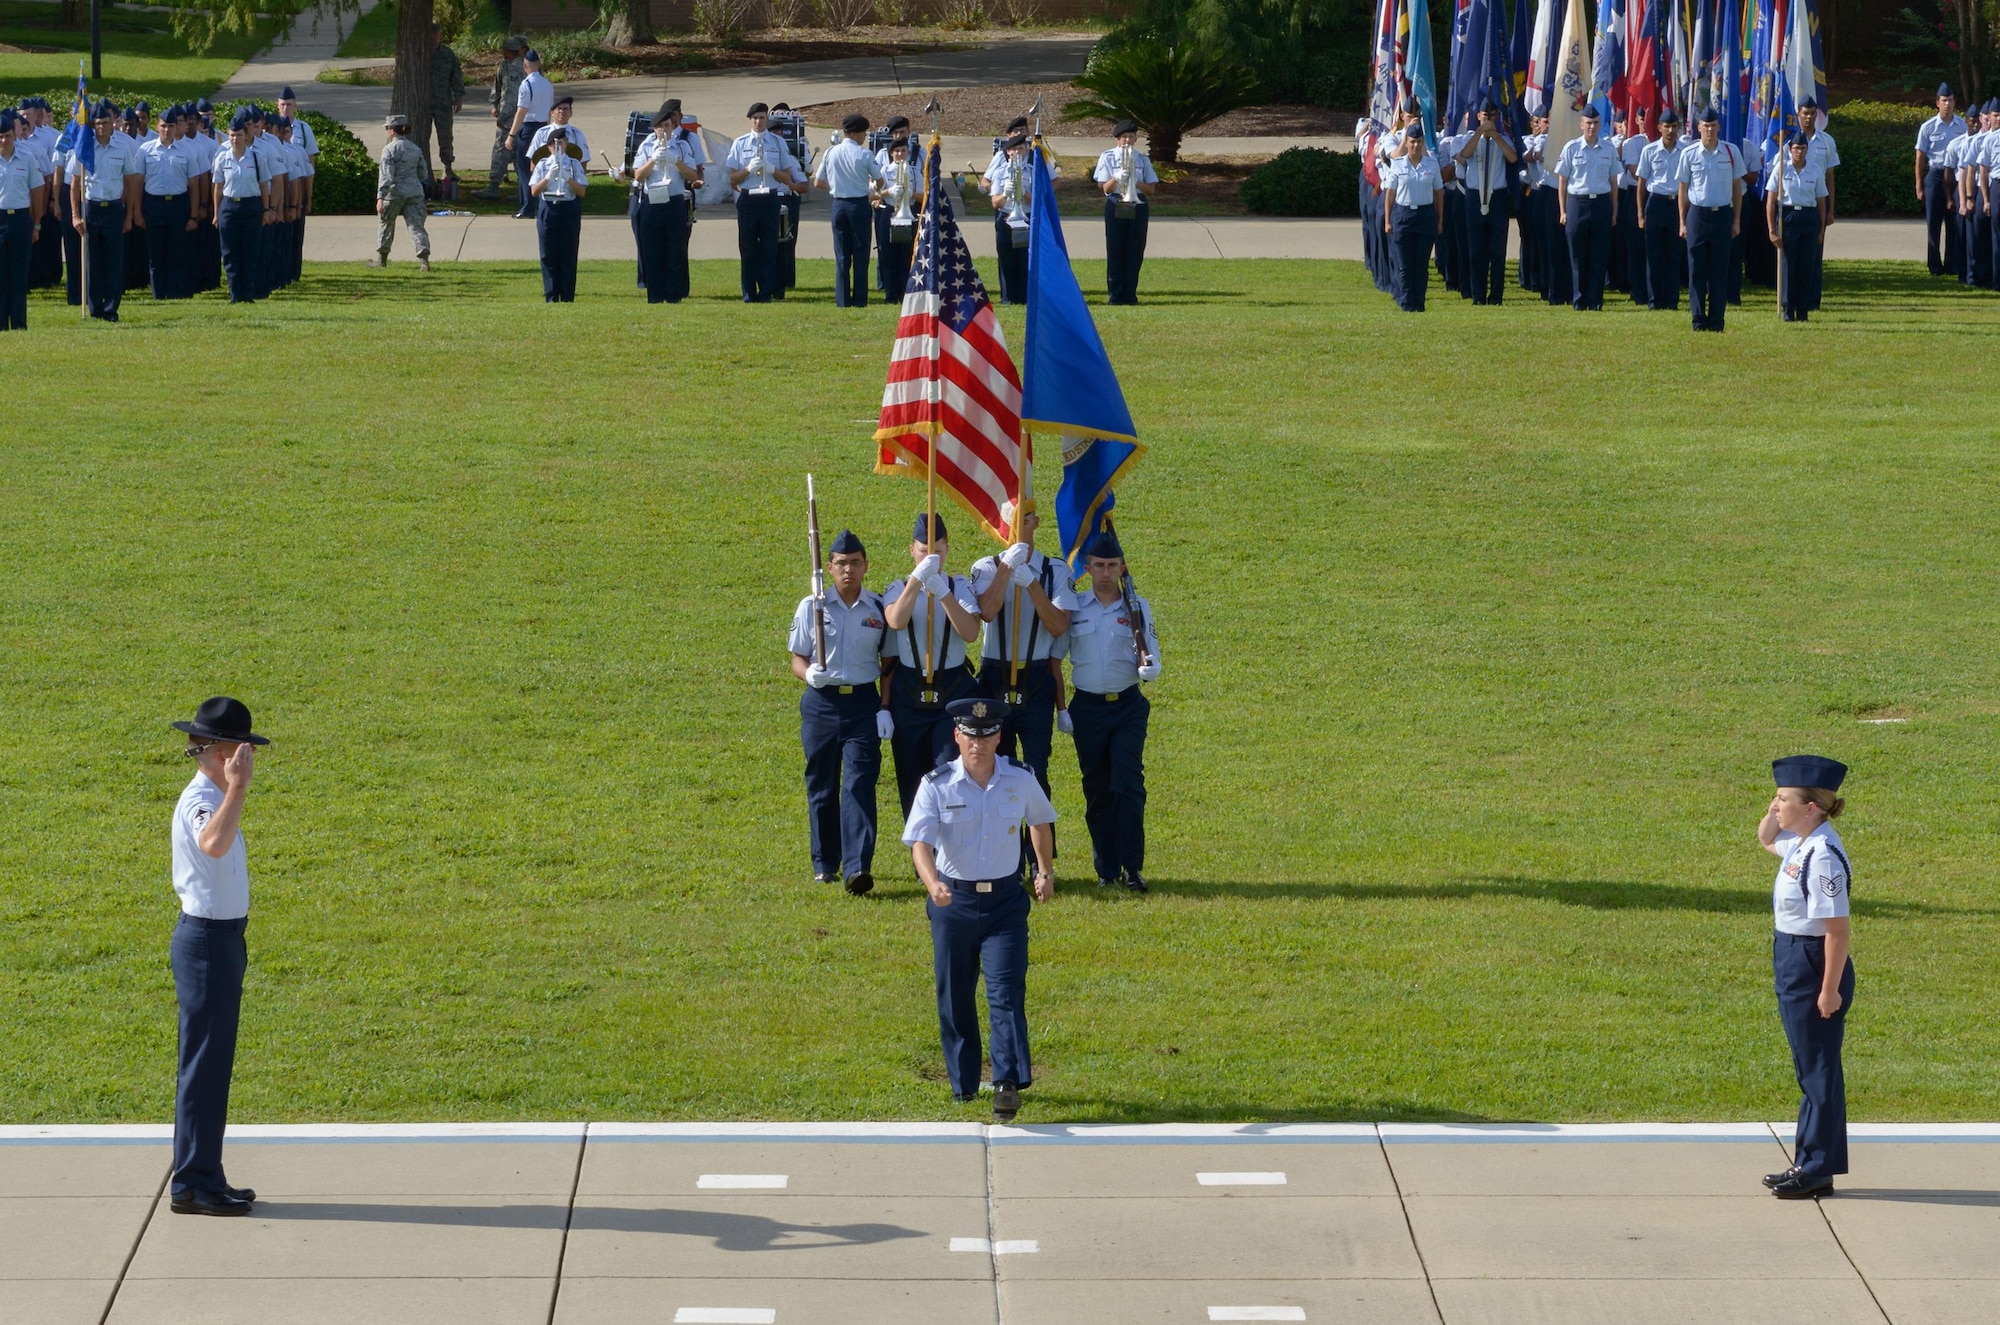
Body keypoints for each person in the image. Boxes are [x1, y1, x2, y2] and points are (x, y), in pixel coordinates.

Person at [903, 696, 1056, 1124]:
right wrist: (932, 884)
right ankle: (963, 1083)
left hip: (1006, 903)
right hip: (953, 902)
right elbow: (920, 842)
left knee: (1005, 993)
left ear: (998, 737)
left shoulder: (1019, 779)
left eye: (987, 735)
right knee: (954, 996)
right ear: (957, 736)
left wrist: (1044, 872)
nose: (979, 744)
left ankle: (1006, 1082)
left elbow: (1039, 822)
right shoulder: (936, 784)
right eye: (971, 735)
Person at [167, 697, 269, 1217]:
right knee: (204, 1065)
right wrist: (240, 787)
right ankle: (192, 1182)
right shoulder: (202, 799)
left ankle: (206, 1173)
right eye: (242, 748)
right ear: (222, 751)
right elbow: (212, 843)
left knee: (211, 1063)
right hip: (207, 942)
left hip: (222, 938)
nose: (248, 757)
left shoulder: (215, 791)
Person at [1756, 754, 1854, 1200]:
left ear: (1811, 807)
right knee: (1809, 1066)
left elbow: (1837, 930)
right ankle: (1811, 1162)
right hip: (1794, 956)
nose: (1774, 806)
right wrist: (1780, 800)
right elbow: (1764, 838)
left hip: (1814, 962)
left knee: (1817, 1069)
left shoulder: (1823, 857)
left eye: (1783, 799)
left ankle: (1816, 1168)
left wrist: (1829, 989)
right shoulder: (1801, 843)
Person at [790, 529, 891, 895]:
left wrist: (884, 707)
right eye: (841, 564)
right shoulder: (811, 606)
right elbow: (797, 657)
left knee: (859, 783)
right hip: (821, 703)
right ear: (829, 567)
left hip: (863, 704)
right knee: (822, 783)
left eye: (855, 563)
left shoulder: (878, 608)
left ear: (866, 566)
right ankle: (825, 862)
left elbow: (889, 661)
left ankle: (857, 866)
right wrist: (808, 673)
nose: (848, 570)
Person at [1062, 528, 1159, 893]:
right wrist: (1062, 708)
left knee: (1128, 784)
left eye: (1112, 565)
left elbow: (1151, 647)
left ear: (1122, 569)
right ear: (1087, 569)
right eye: (1099, 565)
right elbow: (1057, 656)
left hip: (1127, 707)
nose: (1105, 572)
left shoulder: (1137, 607)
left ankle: (1133, 867)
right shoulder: (1075, 609)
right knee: (1097, 789)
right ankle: (1106, 868)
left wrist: (1151, 668)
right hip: (1087, 708)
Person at [967, 501, 1075, 827]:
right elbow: (986, 611)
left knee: (1036, 770)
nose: (1016, 528)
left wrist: (1030, 583)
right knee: (996, 769)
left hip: (1036, 676)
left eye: (1023, 520)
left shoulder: (1055, 570)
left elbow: (1058, 625)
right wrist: (1006, 569)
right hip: (994, 675)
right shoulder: (986, 567)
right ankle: (1006, 863)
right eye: (1011, 521)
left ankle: (1040, 862)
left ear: (1036, 523)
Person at [882, 513, 983, 817]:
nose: (931, 557)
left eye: (938, 551)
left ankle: (948, 858)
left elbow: (970, 632)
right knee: (911, 784)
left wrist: (943, 593)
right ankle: (921, 862)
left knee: (948, 777)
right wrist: (916, 581)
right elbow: (896, 621)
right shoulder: (897, 587)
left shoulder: (959, 586)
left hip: (950, 691)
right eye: (924, 551)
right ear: (912, 550)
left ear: (948, 550)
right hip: (909, 692)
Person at [67, 99, 142, 321]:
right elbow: (74, 185)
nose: (102, 126)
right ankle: (95, 308)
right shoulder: (84, 148)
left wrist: (128, 215)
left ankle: (111, 308)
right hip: (92, 209)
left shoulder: (123, 148)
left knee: (113, 262)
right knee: (92, 262)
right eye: (98, 123)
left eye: (106, 122)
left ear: (113, 123)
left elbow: (129, 183)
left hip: (114, 210)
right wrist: (75, 215)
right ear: (93, 125)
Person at [726, 102, 804, 304]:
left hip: (770, 197)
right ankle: (749, 293)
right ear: (749, 120)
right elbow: (732, 179)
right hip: (748, 198)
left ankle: (766, 292)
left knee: (770, 248)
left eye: (761, 117)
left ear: (767, 119)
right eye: (755, 118)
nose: (758, 121)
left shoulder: (778, 143)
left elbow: (787, 178)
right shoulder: (740, 143)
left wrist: (771, 169)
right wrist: (748, 170)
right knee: (748, 248)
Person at [1677, 107, 1742, 332]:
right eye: (1706, 126)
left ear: (1719, 127)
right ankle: (1698, 319)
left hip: (1723, 214)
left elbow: (1737, 188)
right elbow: (1683, 189)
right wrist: (1683, 222)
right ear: (1699, 128)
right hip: (1697, 215)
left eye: (1714, 126)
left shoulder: (1731, 152)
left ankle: (1716, 321)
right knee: (1696, 271)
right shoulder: (1689, 154)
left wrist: (1736, 220)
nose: (1710, 130)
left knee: (1719, 272)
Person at [632, 100, 702, 304]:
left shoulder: (681, 146)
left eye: (667, 125)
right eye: (660, 126)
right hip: (652, 201)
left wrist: (675, 161)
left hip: (674, 201)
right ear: (654, 128)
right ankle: (655, 295)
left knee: (675, 250)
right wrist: (653, 160)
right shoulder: (646, 145)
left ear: (672, 126)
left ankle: (673, 295)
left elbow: (692, 175)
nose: (664, 130)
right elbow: (637, 175)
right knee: (652, 251)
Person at [1449, 99, 1518, 305]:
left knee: (1497, 251)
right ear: (1478, 116)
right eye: (1485, 116)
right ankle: (1478, 294)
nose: (1489, 120)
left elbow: (1513, 158)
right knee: (1476, 250)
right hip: (1474, 196)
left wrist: (1495, 135)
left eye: (1492, 116)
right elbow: (1465, 155)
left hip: (1497, 197)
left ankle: (1496, 295)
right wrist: (1480, 133)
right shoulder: (1469, 138)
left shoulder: (1504, 138)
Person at [1554, 105, 1618, 311]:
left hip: (1601, 203)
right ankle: (1579, 300)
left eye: (1596, 123)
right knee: (1577, 256)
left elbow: (1613, 182)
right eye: (1588, 123)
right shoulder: (1571, 148)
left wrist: (1614, 210)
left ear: (1601, 125)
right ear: (1581, 125)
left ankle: (1595, 300)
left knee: (1599, 256)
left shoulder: (1609, 149)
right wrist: (1563, 211)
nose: (1592, 127)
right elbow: (1562, 181)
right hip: (1577, 203)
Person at [816, 113, 883, 308]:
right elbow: (879, 179)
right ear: (855, 133)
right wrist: (872, 188)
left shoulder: (830, 152)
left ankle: (842, 299)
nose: (864, 137)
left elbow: (819, 182)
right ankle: (860, 298)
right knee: (861, 252)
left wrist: (836, 186)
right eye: (863, 133)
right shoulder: (864, 154)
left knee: (842, 253)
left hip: (838, 204)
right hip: (859, 205)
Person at [1096, 119, 1159, 305]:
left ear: (1135, 139)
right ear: (1117, 139)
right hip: (1116, 202)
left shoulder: (1142, 159)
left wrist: (1135, 180)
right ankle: (1115, 295)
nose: (1127, 141)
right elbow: (1104, 188)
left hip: (1138, 203)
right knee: (1115, 249)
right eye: (1123, 137)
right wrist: (1117, 177)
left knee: (1135, 250)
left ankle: (1130, 295)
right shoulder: (1107, 157)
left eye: (1131, 137)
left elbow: (1151, 189)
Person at [1381, 123, 1442, 313]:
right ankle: (1406, 303)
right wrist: (1388, 220)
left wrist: (1440, 220)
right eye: (1412, 141)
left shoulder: (1431, 164)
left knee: (1421, 264)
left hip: (1425, 215)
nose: (1416, 145)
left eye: (1419, 142)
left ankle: (1419, 303)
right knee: (1405, 264)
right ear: (1406, 143)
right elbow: (1390, 193)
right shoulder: (1398, 164)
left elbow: (1438, 193)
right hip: (1403, 215)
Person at [137, 105, 195, 300]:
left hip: (178, 205)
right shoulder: (145, 150)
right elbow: (137, 183)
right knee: (156, 255)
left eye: (171, 125)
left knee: (177, 253)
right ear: (157, 126)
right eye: (163, 126)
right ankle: (158, 294)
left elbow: (193, 185)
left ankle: (175, 293)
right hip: (153, 205)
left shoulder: (187, 151)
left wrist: (193, 214)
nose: (167, 129)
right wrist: (137, 212)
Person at [1768, 134, 1827, 322]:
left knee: (1806, 266)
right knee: (1788, 265)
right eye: (1796, 148)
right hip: (1788, 217)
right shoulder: (1781, 169)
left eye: (1802, 148)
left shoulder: (1815, 170)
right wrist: (1772, 229)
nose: (1799, 152)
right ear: (1789, 149)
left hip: (1809, 218)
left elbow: (1821, 202)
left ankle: (1803, 310)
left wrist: (1821, 230)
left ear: (1807, 150)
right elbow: (1770, 201)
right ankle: (1788, 308)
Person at [211, 109, 268, 302]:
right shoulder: (222, 157)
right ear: (228, 136)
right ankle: (235, 294)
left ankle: (248, 294)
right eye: (232, 135)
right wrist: (217, 213)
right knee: (230, 253)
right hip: (229, 206)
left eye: (239, 135)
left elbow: (263, 185)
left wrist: (266, 210)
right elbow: (218, 188)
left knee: (249, 252)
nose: (236, 139)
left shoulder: (256, 157)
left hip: (251, 206)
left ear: (246, 136)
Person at [0, 108, 47, 331]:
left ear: (14, 134)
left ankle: (18, 323)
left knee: (19, 275)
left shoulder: (26, 158)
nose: (4, 140)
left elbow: (37, 191)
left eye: (7, 135)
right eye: (0, 136)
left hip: (20, 219)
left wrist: (36, 223)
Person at [1635, 108, 1686, 312]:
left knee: (1674, 256)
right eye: (1667, 126)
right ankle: (1655, 301)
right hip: (1655, 203)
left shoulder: (1686, 150)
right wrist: (1640, 213)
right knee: (1654, 255)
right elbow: (1641, 183)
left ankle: (1672, 300)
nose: (1671, 130)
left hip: (1677, 204)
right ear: (1659, 128)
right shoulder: (1649, 151)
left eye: (1674, 126)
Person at [530, 126, 587, 301]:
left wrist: (566, 177)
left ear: (566, 144)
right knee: (548, 254)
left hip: (568, 208)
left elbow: (581, 191)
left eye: (561, 143)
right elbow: (534, 191)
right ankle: (551, 295)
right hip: (548, 208)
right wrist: (548, 177)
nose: (558, 148)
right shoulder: (542, 164)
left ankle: (568, 295)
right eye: (554, 145)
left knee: (568, 253)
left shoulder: (573, 163)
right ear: (549, 147)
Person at [1917, 84, 1965, 277]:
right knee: (1934, 224)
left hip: (1954, 177)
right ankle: (1935, 266)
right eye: (1944, 100)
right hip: (1935, 176)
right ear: (1937, 103)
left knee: (1953, 222)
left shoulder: (1962, 125)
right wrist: (1919, 185)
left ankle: (1952, 265)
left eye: (1951, 100)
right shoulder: (1928, 127)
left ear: (1955, 102)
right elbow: (1920, 158)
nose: (1947, 104)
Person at [371, 114, 431, 271]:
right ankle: (424, 261)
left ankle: (382, 260)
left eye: (387, 128)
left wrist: (380, 197)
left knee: (386, 225)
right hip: (415, 193)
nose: (386, 131)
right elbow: (423, 174)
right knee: (417, 227)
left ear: (392, 130)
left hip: (394, 194)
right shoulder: (415, 149)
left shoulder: (389, 150)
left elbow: (386, 176)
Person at [874, 116, 924, 295]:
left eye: (903, 151)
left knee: (907, 253)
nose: (900, 154)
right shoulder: (883, 166)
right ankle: (889, 290)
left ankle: (906, 290)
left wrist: (910, 193)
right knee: (887, 253)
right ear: (891, 153)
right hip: (888, 211)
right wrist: (888, 192)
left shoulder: (916, 163)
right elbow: (873, 192)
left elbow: (925, 193)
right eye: (897, 151)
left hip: (909, 211)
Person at [506, 47, 553, 218]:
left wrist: (511, 134)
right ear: (539, 65)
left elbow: (521, 111)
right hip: (543, 127)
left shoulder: (526, 85)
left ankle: (527, 207)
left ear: (525, 66)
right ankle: (539, 204)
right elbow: (549, 111)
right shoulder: (547, 84)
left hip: (528, 129)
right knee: (539, 168)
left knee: (525, 169)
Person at [479, 35, 526, 201]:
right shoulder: (504, 65)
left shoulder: (519, 67)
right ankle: (501, 186)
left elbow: (513, 96)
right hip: (506, 114)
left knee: (505, 150)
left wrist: (504, 116)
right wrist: (494, 105)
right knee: (507, 151)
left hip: (514, 118)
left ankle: (505, 187)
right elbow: (498, 86)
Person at [988, 134, 1033, 305]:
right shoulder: (1000, 173)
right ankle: (1007, 297)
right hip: (1006, 217)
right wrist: (1006, 193)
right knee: (1006, 259)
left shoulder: (1031, 171)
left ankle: (1024, 297)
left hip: (1025, 217)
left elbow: (1037, 201)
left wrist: (1025, 193)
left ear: (1026, 150)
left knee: (1024, 258)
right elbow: (995, 202)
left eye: (1020, 149)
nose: (1016, 153)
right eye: (1013, 149)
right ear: (1007, 152)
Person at [1612, 106, 1648, 305]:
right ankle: (1638, 289)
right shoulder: (1633, 143)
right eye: (1643, 117)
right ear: (1636, 119)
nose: (1646, 120)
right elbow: (1634, 172)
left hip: (1661, 194)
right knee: (1635, 246)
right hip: (1635, 194)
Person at [427, 24, 466, 186]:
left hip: (443, 102)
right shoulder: (420, 53)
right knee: (422, 136)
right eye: (431, 36)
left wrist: (458, 97)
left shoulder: (447, 54)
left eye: (436, 36)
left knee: (445, 136)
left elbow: (456, 76)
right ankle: (423, 168)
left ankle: (447, 167)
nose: (434, 39)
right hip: (424, 103)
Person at [528, 96, 590, 167]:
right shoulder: (542, 133)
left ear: (571, 113)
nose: (562, 111)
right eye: (559, 109)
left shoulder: (577, 134)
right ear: (552, 113)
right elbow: (533, 159)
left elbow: (583, 161)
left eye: (565, 109)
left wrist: (580, 177)